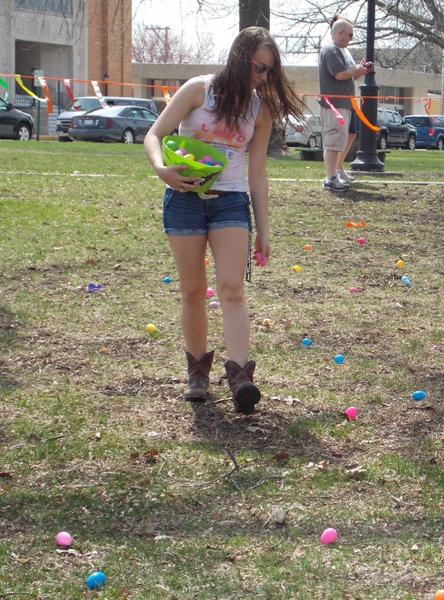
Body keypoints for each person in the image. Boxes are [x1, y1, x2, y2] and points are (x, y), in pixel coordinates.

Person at [143, 27, 303, 413]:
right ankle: (197, 373)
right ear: (240, 58)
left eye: (270, 71)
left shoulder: (260, 110)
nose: (263, 77)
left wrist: (263, 229)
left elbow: (257, 173)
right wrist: (162, 170)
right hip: (184, 200)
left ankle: (241, 377)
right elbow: (154, 135)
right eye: (259, 68)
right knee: (193, 290)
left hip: (231, 202)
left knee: (232, 289)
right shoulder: (198, 90)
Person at [318, 15, 373, 192]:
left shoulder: (339, 51)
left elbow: (348, 75)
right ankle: (330, 178)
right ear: (340, 33)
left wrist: (359, 70)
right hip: (334, 105)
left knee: (338, 141)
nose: (351, 39)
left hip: (343, 104)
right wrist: (355, 69)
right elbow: (340, 74)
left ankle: (334, 175)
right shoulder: (331, 50)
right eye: (350, 35)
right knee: (333, 141)